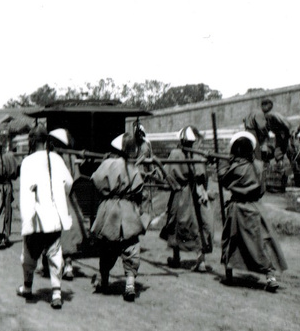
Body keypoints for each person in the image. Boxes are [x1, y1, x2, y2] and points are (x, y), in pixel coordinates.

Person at [218, 131, 288, 292]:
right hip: (254, 208)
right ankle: (270, 276)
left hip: (236, 209)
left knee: (231, 241)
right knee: (261, 242)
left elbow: (223, 181)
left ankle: (229, 273)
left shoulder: (234, 168)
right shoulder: (259, 166)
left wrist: (221, 165)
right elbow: (262, 190)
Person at [17, 125, 74, 309]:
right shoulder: (56, 159)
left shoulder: (27, 162)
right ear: (46, 141)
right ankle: (56, 293)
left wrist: (26, 216)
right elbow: (69, 184)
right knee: (55, 253)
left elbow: (25, 192)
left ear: (32, 142)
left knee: (29, 254)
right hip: (54, 217)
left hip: (35, 217)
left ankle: (27, 287)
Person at [89, 132, 147, 302]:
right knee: (131, 246)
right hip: (128, 209)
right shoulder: (133, 167)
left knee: (107, 246)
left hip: (110, 209)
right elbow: (139, 188)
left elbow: (96, 180)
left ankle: (104, 280)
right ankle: (130, 284)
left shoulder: (108, 163)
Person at [159, 126, 213, 272]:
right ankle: (200, 261)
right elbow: (202, 175)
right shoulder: (197, 155)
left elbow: (168, 174)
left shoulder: (176, 153)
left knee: (176, 223)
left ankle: (177, 258)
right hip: (195, 192)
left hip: (180, 192)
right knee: (198, 224)